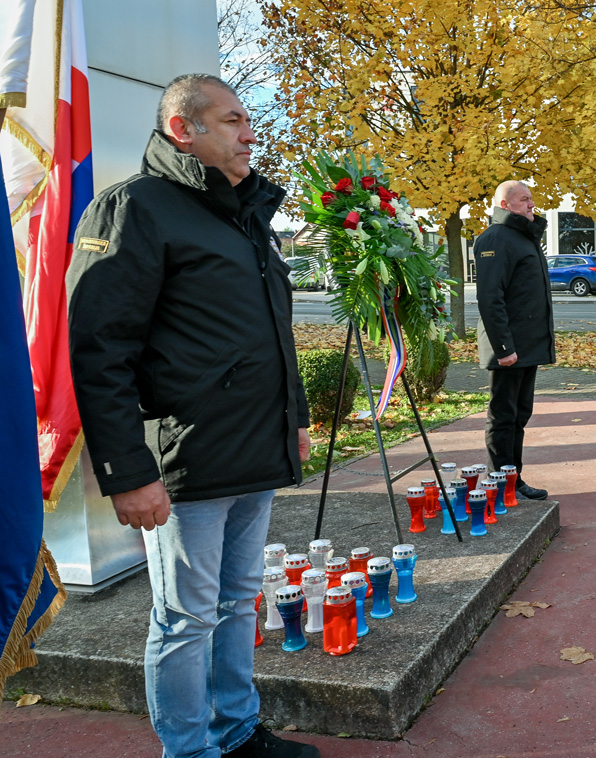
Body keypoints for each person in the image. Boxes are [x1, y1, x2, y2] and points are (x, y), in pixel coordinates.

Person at [66, 74, 317, 758]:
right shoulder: (135, 209)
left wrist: (290, 416)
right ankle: (190, 751)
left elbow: (273, 331)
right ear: (185, 128)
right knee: (185, 617)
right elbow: (100, 349)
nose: (250, 133)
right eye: (233, 120)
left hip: (254, 448)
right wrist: (126, 470)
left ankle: (235, 732)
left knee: (239, 603)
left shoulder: (244, 214)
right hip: (185, 459)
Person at [474, 180, 554, 500]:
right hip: (509, 349)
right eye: (524, 200)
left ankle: (512, 478)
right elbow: (490, 298)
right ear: (505, 205)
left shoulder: (523, 237)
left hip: (528, 347)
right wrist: (504, 348)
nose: (531, 204)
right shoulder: (495, 238)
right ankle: (499, 482)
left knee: (520, 415)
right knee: (503, 416)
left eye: (532, 198)